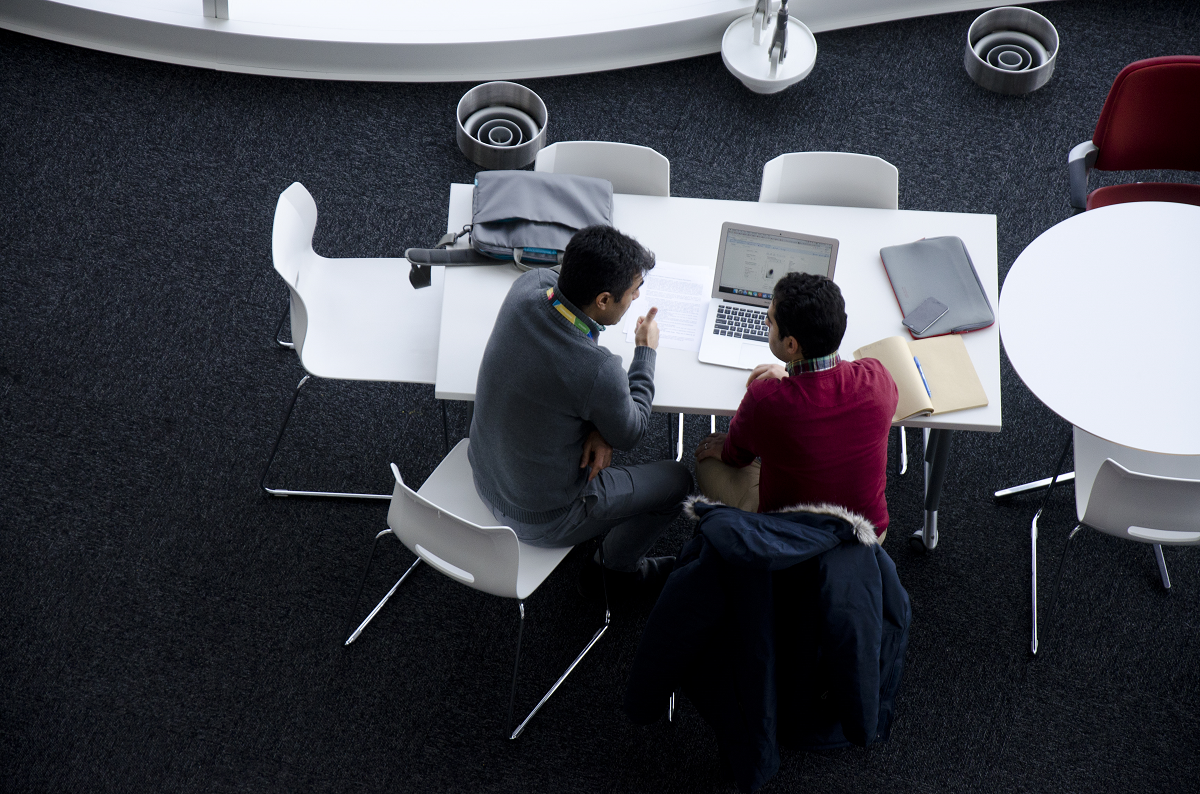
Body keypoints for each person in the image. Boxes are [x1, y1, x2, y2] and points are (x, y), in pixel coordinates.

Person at [468, 224, 693, 596]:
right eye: (633, 290)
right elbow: (632, 431)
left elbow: (577, 392)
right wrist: (646, 352)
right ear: (603, 300)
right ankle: (616, 571)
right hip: (541, 519)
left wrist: (599, 424)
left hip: (484, 472)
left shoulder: (527, 287)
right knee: (679, 482)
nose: (637, 296)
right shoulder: (598, 369)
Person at [693, 272, 898, 539]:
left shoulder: (766, 399)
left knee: (706, 461)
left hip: (790, 538)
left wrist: (725, 445)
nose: (765, 323)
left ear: (791, 344)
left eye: (769, 321)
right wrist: (795, 376)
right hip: (864, 535)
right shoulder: (877, 378)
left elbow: (736, 456)